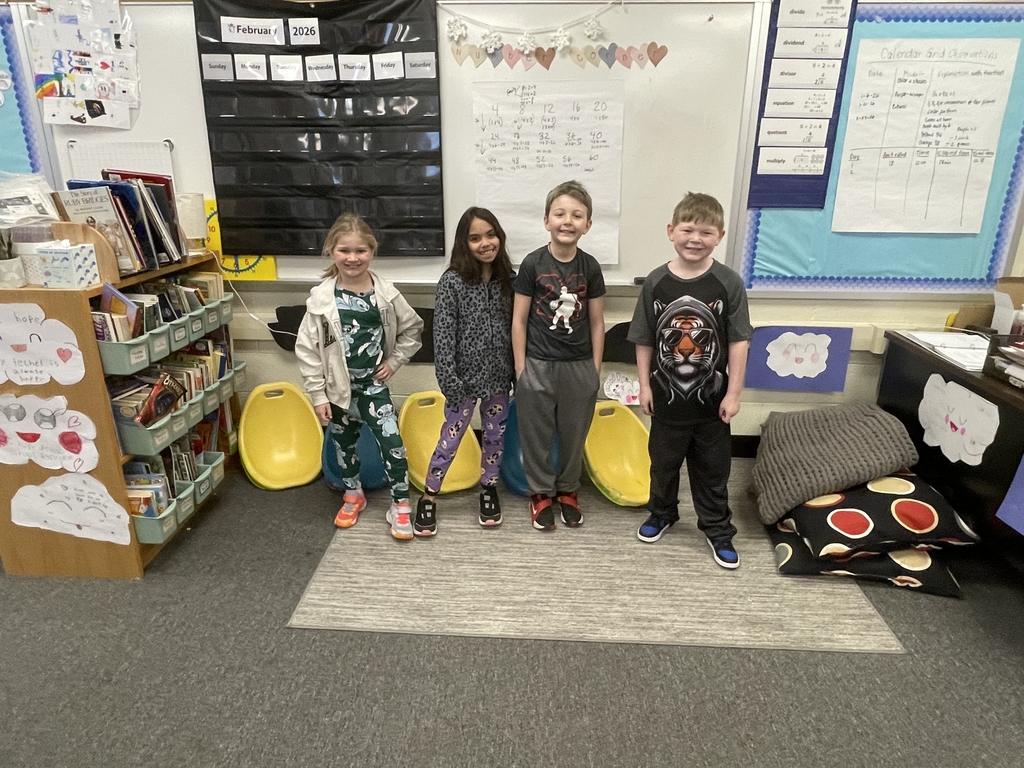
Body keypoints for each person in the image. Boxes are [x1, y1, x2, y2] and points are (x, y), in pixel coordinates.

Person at [627, 192, 751, 568]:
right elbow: (645, 338)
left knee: (713, 470)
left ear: (720, 236)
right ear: (671, 231)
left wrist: (733, 393)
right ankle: (662, 513)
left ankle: (717, 529)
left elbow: (739, 341)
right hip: (666, 401)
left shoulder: (728, 283)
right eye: (687, 230)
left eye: (706, 232)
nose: (695, 238)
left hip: (712, 404)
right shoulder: (656, 282)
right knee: (662, 465)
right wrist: (644, 386)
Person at [295, 213, 424, 540]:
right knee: (344, 446)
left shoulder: (386, 295)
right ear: (331, 251)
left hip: (373, 388)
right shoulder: (321, 300)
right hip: (338, 391)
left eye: (360, 251)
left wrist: (395, 361)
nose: (352, 258)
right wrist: (318, 395)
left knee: (393, 445)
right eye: (344, 250)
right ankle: (353, 494)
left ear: (372, 251)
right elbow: (308, 350)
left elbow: (413, 329)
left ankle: (400, 504)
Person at [415, 207, 515, 536]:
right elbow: (442, 336)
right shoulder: (452, 282)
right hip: (463, 382)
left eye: (491, 235)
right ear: (464, 243)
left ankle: (489, 490)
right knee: (450, 439)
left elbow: (517, 329)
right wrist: (450, 383)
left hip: (499, 378)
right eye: (475, 238)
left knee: (494, 439)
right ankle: (429, 496)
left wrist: (516, 375)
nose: (485, 243)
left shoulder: (508, 281)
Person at [512, 180, 606, 531]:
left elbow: (596, 322)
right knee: (536, 435)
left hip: (579, 365)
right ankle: (540, 493)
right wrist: (521, 369)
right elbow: (519, 320)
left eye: (577, 215)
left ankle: (567, 490)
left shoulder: (590, 267)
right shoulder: (532, 264)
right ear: (546, 220)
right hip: (537, 364)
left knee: (573, 434)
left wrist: (594, 369)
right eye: (560, 214)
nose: (568, 221)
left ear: (588, 225)